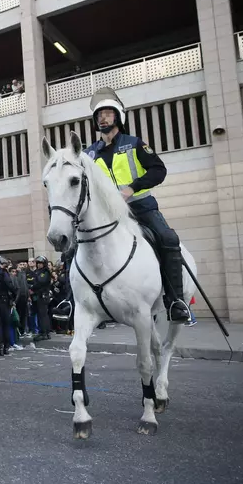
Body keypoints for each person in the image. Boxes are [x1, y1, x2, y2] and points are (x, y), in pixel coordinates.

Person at [84, 87, 190, 321]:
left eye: (108, 113)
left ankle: (176, 301)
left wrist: (132, 187)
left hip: (141, 207)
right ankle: (73, 302)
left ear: (118, 117)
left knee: (168, 238)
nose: (103, 118)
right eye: (99, 115)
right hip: (109, 213)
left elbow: (159, 170)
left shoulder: (134, 144)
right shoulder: (89, 153)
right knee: (76, 242)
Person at [31, 256, 52, 341]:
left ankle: (44, 333)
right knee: (40, 314)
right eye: (38, 263)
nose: (39, 265)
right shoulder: (37, 271)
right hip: (37, 295)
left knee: (43, 315)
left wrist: (32, 288)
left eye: (41, 263)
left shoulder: (45, 272)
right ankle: (43, 332)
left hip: (43, 295)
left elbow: (40, 281)